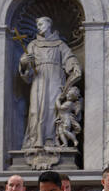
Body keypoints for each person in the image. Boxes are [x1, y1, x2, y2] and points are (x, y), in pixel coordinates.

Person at [19, 16, 82, 149]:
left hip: (55, 79)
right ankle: (36, 140)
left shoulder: (60, 45)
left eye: (41, 24)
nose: (38, 27)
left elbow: (69, 58)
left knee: (53, 109)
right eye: (37, 25)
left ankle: (51, 140)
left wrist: (74, 65)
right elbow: (26, 71)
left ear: (49, 24)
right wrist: (24, 63)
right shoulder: (32, 45)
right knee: (35, 110)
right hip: (39, 80)